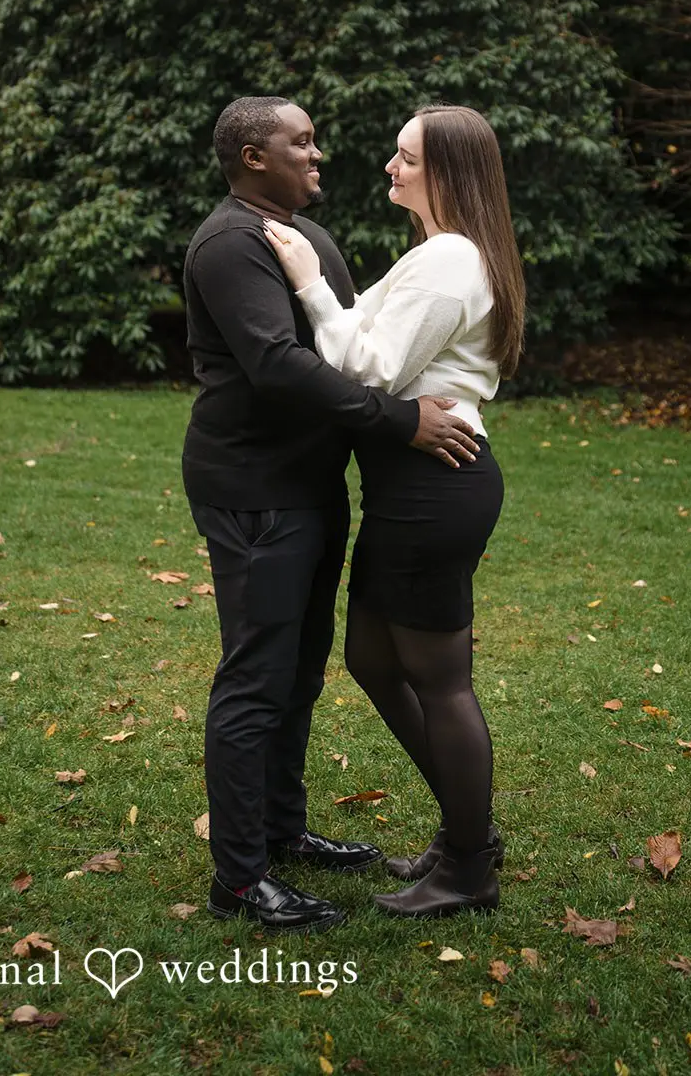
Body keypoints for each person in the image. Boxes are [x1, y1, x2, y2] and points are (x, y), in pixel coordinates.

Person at [182, 95, 483, 934]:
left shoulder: (307, 240)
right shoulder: (230, 243)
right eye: (299, 142)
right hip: (252, 487)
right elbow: (280, 366)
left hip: (312, 486)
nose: (318, 156)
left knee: (302, 669)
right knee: (254, 677)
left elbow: (350, 347)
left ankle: (281, 829)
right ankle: (239, 878)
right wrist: (399, 425)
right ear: (252, 157)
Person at [263, 104, 525, 919]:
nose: (388, 165)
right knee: (375, 661)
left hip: (433, 493)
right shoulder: (433, 254)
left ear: (443, 172)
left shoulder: (450, 259)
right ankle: (463, 823)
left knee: (440, 680)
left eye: (405, 156)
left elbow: (364, 367)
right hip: (409, 489)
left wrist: (305, 276)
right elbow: (354, 331)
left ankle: (469, 865)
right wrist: (324, 306)